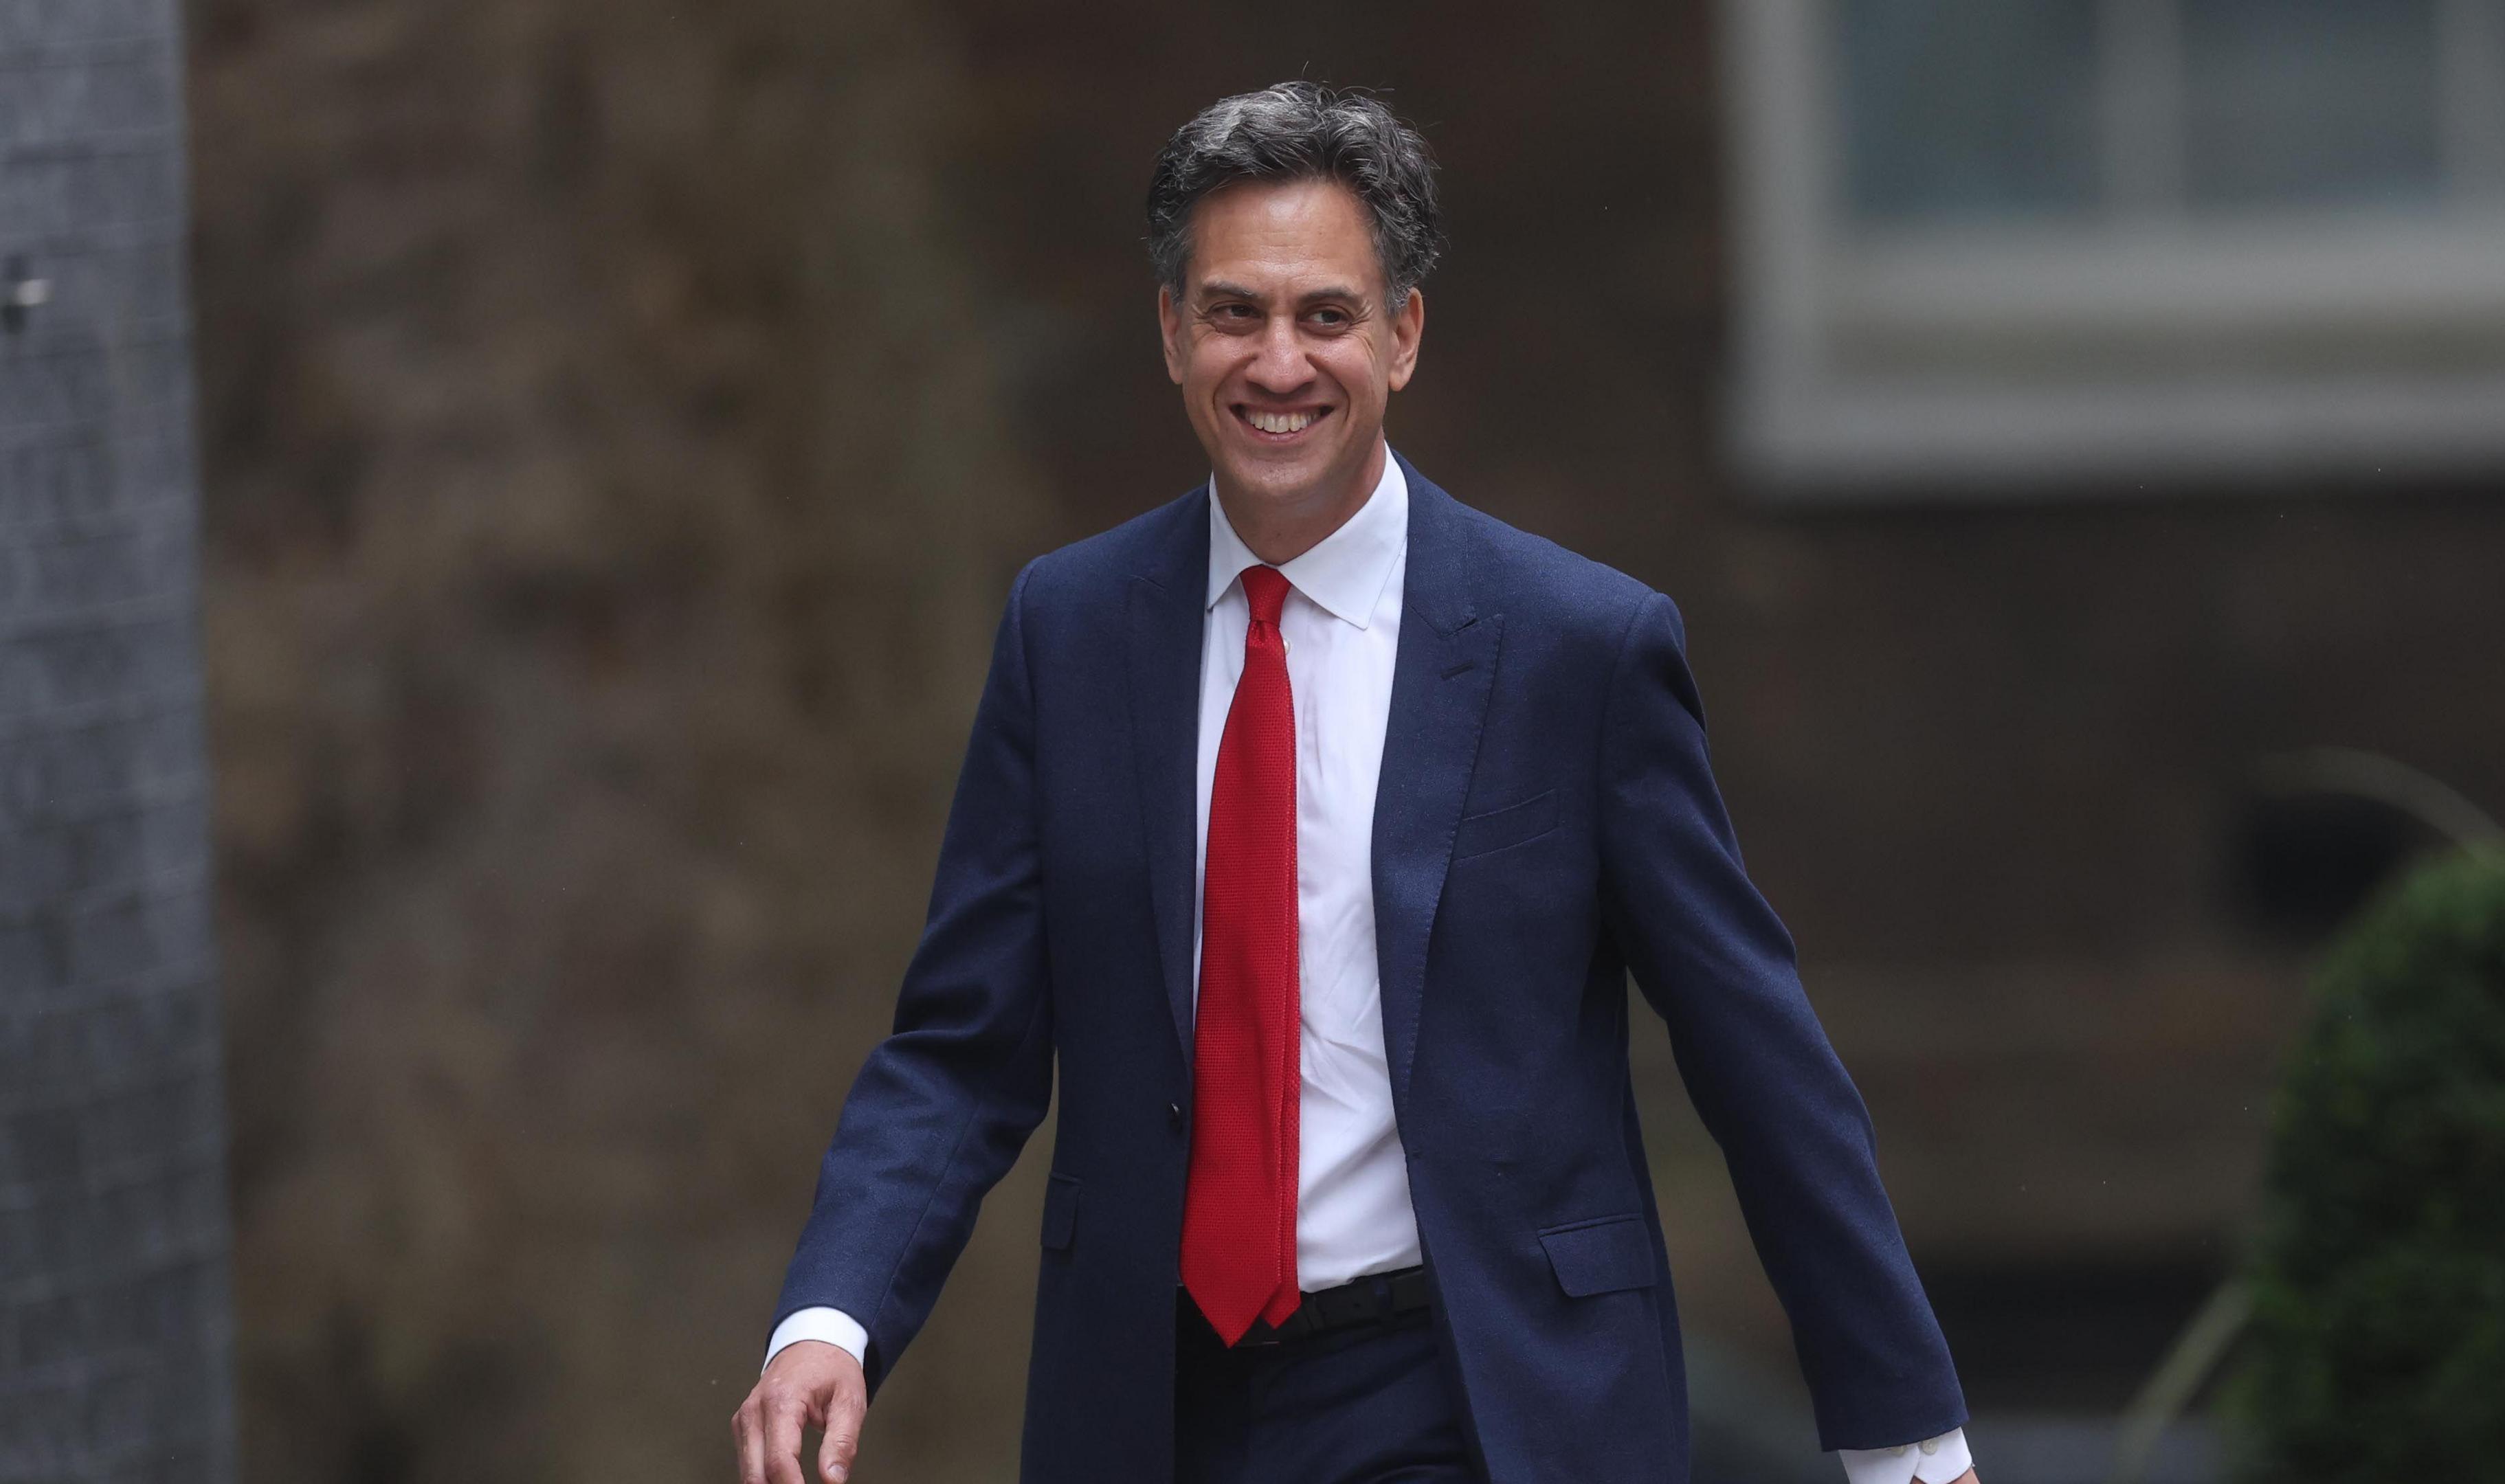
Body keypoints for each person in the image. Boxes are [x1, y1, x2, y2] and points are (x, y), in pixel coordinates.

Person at [731, 81, 1977, 1484]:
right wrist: (830, 1316)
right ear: (1169, 333)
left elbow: (1758, 1058)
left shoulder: (1578, 649)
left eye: (1325, 315)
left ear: (1403, 335)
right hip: (1149, 1404)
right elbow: (961, 1049)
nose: (1278, 364)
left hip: (1473, 1396)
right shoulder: (1069, 633)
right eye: (1233, 314)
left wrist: (1905, 1436)